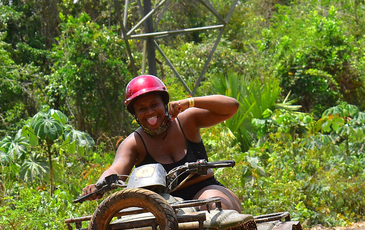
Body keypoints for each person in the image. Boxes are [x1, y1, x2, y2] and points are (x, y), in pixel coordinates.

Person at [81, 74, 243, 211]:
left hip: (205, 189)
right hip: (162, 203)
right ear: (135, 114)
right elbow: (116, 169)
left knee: (214, 206)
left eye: (154, 105)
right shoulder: (134, 143)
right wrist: (99, 185)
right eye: (142, 109)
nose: (150, 112)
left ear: (164, 104)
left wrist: (190, 102)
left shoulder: (186, 121)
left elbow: (232, 106)